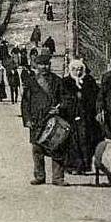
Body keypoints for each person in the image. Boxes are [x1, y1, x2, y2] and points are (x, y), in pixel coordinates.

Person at [20, 54, 73, 186]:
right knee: (37, 149)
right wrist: (27, 119)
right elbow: (25, 103)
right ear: (36, 66)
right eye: (41, 65)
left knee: (57, 147)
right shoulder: (31, 82)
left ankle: (58, 177)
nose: (44, 67)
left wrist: (59, 108)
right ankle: (39, 176)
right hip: (37, 120)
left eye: (46, 64)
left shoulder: (57, 81)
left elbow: (67, 98)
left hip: (53, 120)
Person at [60, 58, 102, 174]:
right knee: (73, 142)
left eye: (80, 69)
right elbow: (63, 98)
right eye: (75, 70)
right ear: (70, 70)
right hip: (71, 116)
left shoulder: (89, 81)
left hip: (87, 116)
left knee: (86, 140)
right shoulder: (66, 82)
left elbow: (96, 96)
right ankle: (73, 166)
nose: (77, 72)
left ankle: (85, 165)